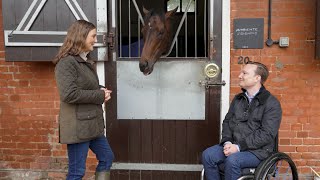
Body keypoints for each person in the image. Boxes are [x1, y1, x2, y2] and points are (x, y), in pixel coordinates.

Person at [53, 20, 114, 180]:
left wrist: (100, 89)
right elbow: (69, 94)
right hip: (77, 128)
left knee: (107, 157)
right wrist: (99, 95)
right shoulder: (66, 63)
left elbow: (86, 86)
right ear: (81, 36)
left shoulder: (84, 60)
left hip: (91, 125)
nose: (95, 39)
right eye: (93, 36)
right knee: (77, 172)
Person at [202, 61, 282, 180]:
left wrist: (239, 147)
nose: (240, 76)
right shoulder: (238, 99)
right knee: (208, 155)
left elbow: (267, 134)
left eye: (244, 73)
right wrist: (227, 142)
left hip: (258, 152)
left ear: (257, 78)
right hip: (234, 145)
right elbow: (228, 122)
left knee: (233, 160)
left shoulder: (271, 103)